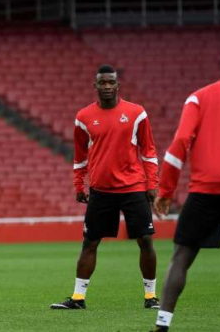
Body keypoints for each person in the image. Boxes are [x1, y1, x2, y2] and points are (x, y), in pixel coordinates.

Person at [51, 64, 161, 310]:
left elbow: (149, 151)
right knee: (89, 242)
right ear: (96, 86)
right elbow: (80, 155)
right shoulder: (83, 117)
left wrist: (152, 183)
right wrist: (79, 183)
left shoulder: (137, 113)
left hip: (134, 188)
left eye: (111, 82)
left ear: (118, 85)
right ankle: (78, 298)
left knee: (145, 240)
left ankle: (151, 297)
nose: (107, 86)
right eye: (103, 82)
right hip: (101, 191)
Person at [149, 56, 220, 332]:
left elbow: (181, 142)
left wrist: (166, 190)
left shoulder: (198, 98)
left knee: (181, 257)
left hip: (206, 191)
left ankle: (162, 324)